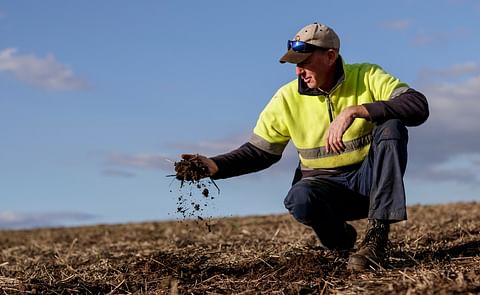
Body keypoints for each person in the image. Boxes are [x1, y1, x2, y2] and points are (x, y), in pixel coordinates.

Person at [180, 22, 429, 271]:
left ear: (330, 56)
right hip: (327, 191)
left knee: (391, 126)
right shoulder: (286, 98)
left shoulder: (367, 76)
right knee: (299, 198)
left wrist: (357, 111)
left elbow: (417, 104)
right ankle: (340, 239)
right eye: (295, 65)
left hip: (371, 184)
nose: (299, 71)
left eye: (305, 62)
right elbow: (259, 152)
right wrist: (216, 166)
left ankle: (376, 238)